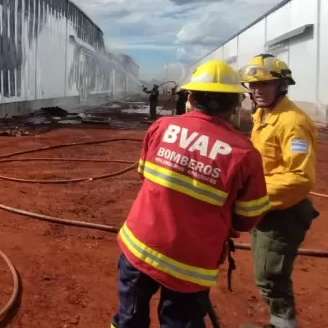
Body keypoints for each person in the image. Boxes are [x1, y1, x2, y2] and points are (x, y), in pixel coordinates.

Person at [111, 59, 271, 328]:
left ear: (191, 98)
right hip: (191, 263)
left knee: (128, 319)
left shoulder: (161, 128)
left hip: (139, 247)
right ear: (234, 104)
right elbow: (247, 217)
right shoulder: (244, 153)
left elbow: (144, 175)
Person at [238, 54, 319, 328]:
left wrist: (250, 195)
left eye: (265, 85)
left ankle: (284, 323)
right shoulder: (263, 114)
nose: (257, 91)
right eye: (253, 85)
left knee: (270, 276)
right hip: (266, 206)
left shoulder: (291, 122)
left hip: (283, 212)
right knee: (266, 272)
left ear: (282, 85)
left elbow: (298, 177)